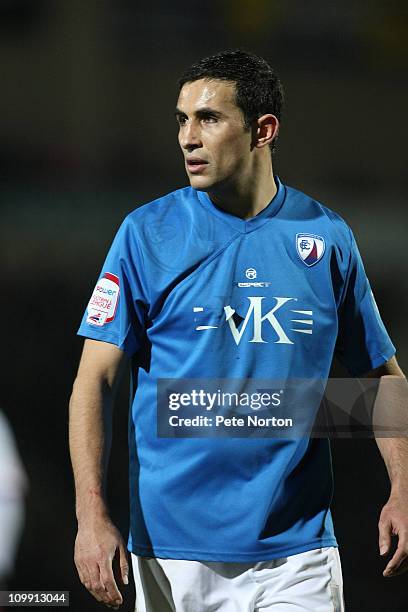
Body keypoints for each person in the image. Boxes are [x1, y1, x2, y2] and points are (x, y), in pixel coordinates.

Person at [69, 49, 408, 612]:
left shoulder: (325, 238)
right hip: (171, 552)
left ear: (263, 130)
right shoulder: (145, 234)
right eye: (181, 119)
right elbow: (94, 383)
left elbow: (379, 374)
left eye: (208, 118)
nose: (187, 138)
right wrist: (91, 514)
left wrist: (403, 487)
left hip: (296, 554)